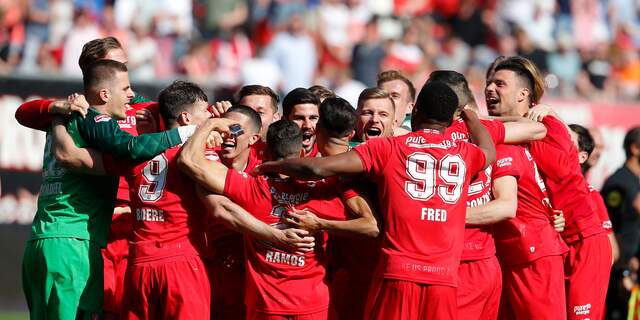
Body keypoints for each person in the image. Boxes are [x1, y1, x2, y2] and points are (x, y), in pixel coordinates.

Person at [254, 81, 495, 319]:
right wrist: (471, 117)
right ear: (451, 121)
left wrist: (273, 165)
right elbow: (489, 151)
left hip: (398, 275)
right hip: (444, 279)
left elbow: (319, 169)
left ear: (416, 111)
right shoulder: (466, 154)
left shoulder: (389, 148)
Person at [19, 61, 194, 319]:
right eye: (125, 88)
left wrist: (54, 109)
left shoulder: (63, 119)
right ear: (104, 93)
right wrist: (185, 133)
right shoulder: (95, 120)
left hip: (45, 237)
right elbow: (128, 150)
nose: (131, 95)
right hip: (72, 243)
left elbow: (25, 113)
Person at [177, 119, 379, 319]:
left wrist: (211, 124)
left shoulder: (251, 187)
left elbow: (188, 161)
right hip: (313, 306)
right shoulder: (326, 191)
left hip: (266, 306)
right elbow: (370, 226)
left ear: (264, 153)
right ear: (302, 153)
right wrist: (322, 224)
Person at [489, 56, 610, 319]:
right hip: (553, 238)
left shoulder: (546, 125)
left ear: (524, 93)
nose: (490, 89)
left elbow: (561, 168)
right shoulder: (524, 128)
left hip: (581, 239)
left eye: (499, 83)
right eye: (489, 82)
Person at [429, 69, 549, 320]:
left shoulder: (419, 139)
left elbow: (506, 206)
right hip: (484, 263)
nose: (490, 89)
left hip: (466, 263)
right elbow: (537, 128)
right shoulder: (488, 133)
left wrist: (439, 216)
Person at [601, 127, 640, 319]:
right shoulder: (618, 183)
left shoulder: (636, 181)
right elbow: (609, 230)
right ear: (635, 148)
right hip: (619, 275)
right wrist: (623, 271)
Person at [568, 124, 618, 264]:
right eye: (594, 145)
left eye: (601, 147)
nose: (596, 152)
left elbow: (612, 252)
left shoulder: (593, 190)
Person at [282, 88, 321, 157]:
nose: (307, 125)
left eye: (313, 118)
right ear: (284, 121)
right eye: (299, 118)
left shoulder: (334, 159)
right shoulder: (266, 157)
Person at [376, 70, 415, 135]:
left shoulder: (418, 137)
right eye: (382, 94)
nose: (387, 99)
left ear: (409, 107)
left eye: (395, 96)